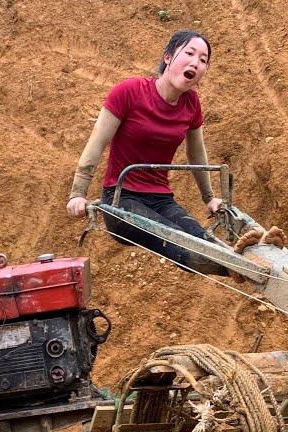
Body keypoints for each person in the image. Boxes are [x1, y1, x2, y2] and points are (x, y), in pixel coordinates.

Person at [65, 30, 229, 274]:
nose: (196, 62)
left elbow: (196, 155)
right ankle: (237, 268)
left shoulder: (191, 104)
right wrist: (77, 193)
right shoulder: (129, 91)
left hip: (161, 199)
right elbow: (96, 143)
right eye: (190, 53)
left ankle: (244, 263)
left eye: (203, 60)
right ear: (168, 58)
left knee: (202, 238)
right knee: (181, 244)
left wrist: (210, 198)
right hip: (122, 200)